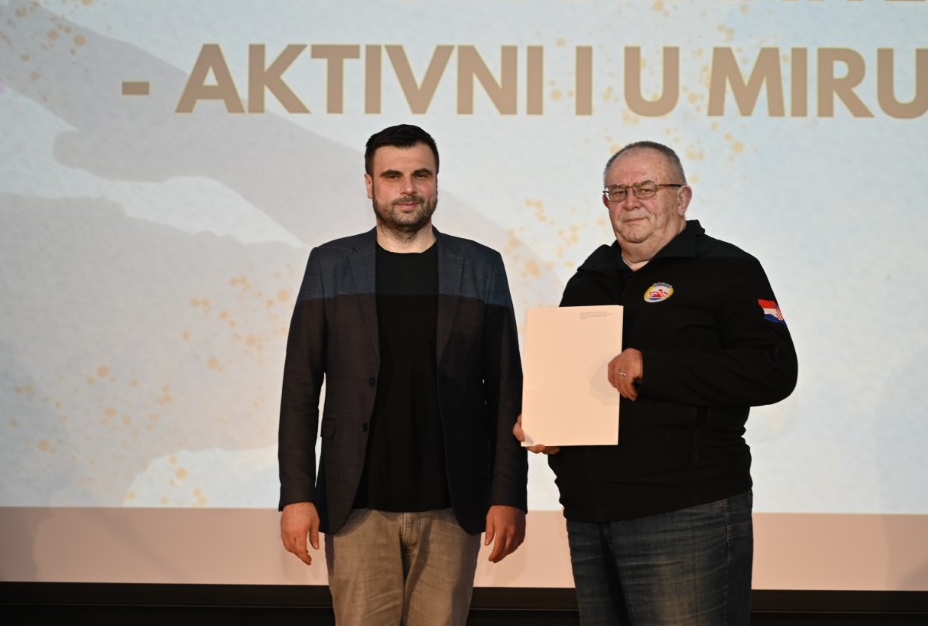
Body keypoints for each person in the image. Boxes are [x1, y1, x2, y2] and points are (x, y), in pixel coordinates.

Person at [516, 141, 797, 625]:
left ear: (682, 198)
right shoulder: (589, 279)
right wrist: (546, 421)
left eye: (646, 188)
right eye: (617, 191)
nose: (630, 202)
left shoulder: (728, 268)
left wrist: (655, 367)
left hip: (686, 514)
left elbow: (772, 369)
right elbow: (570, 381)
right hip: (590, 514)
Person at [278, 124, 527, 626]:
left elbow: (507, 391)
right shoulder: (330, 264)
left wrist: (507, 496)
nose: (408, 188)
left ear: (436, 182)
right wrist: (297, 494)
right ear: (369, 184)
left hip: (453, 506)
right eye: (392, 176)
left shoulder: (481, 266)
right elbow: (300, 388)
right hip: (356, 506)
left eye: (421, 175)